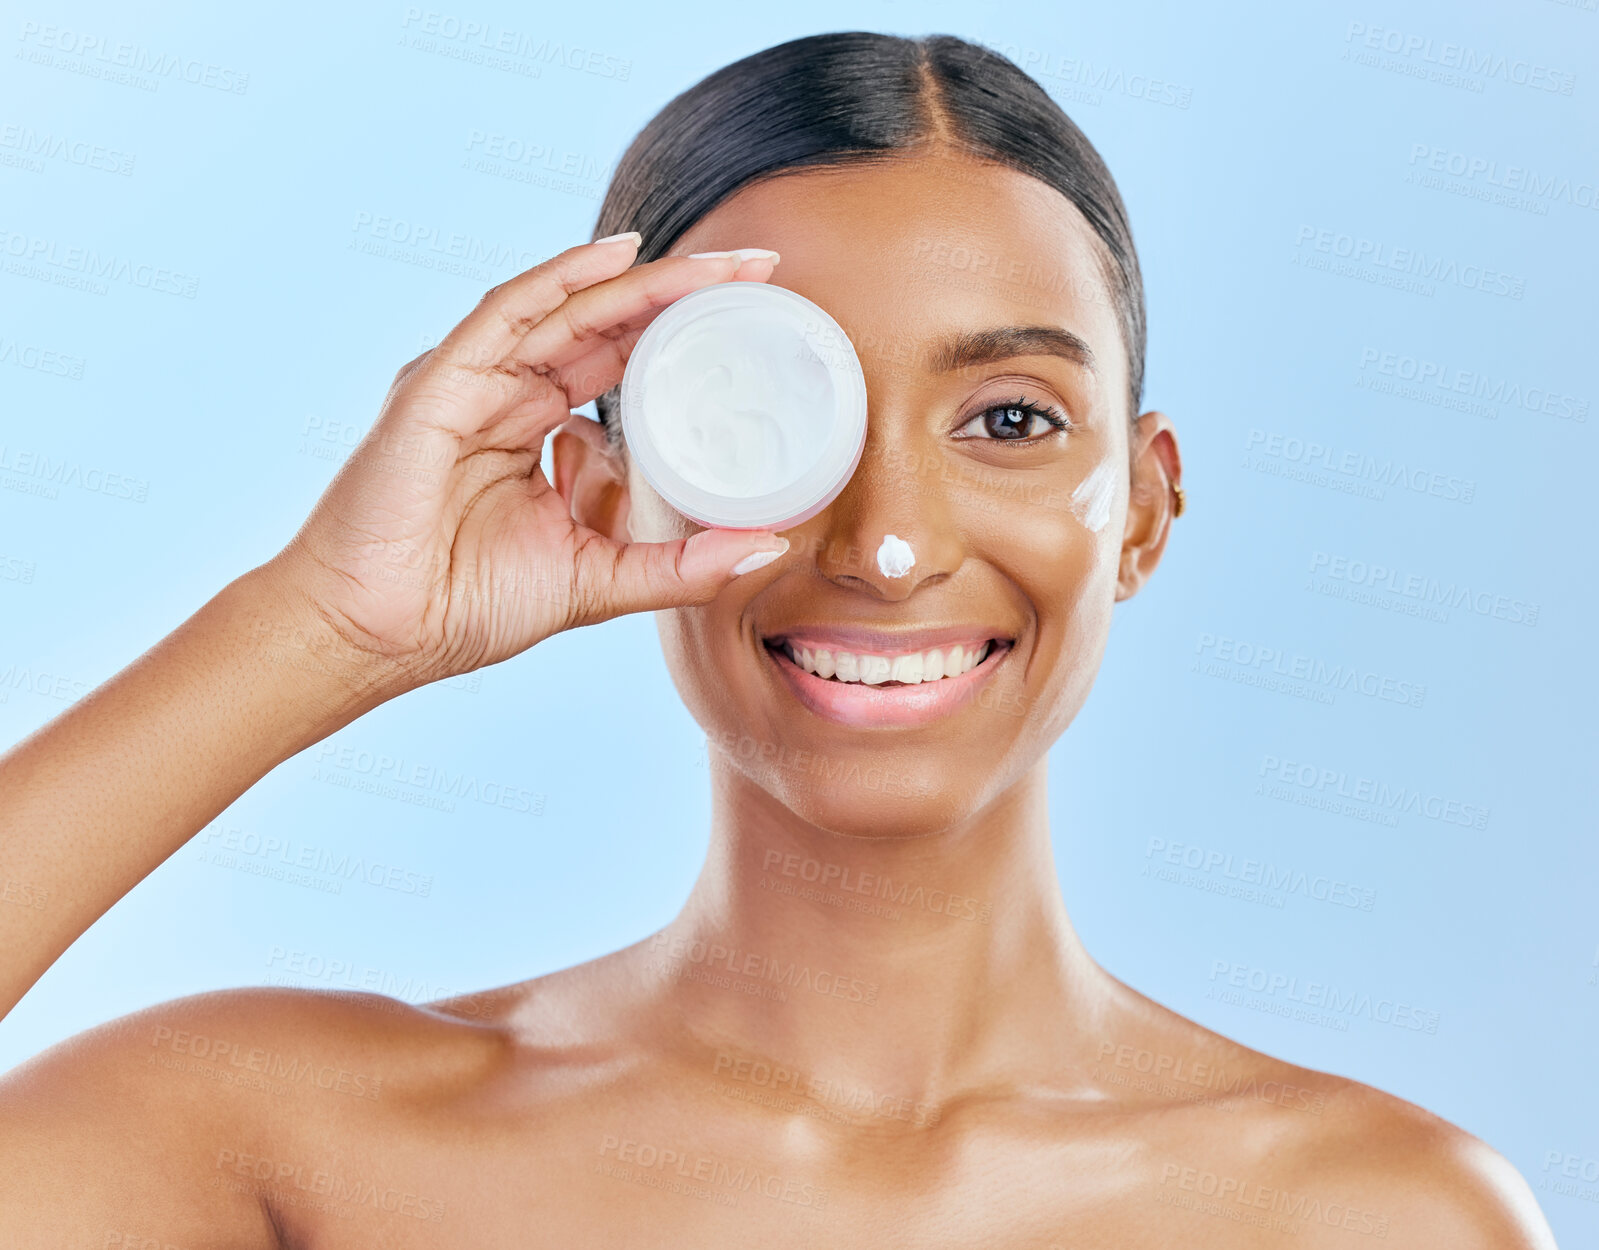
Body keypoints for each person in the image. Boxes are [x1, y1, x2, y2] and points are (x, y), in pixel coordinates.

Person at [0, 31, 1556, 1246]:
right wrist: (326, 623)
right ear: (609, 481)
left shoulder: (1385, 1217)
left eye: (1008, 419)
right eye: (771, 416)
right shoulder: (292, 1147)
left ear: (1144, 510)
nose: (885, 544)